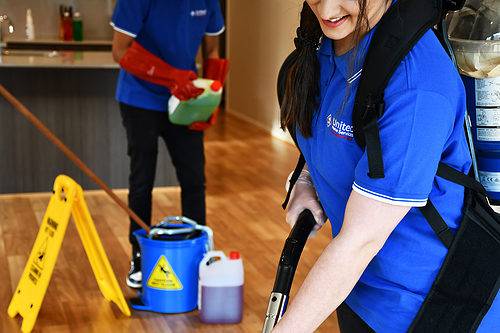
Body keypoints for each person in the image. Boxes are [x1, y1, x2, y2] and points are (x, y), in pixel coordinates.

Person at [273, 1, 499, 332]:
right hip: (355, 292)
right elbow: (331, 128)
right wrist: (306, 179)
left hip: (435, 307)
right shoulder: (320, 52)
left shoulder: (417, 82)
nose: (327, 7)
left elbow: (360, 240)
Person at [110, 0, 225, 289]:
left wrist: (210, 96)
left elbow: (212, 50)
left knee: (194, 178)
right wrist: (171, 76)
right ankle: (139, 257)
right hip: (140, 98)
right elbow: (120, 50)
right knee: (142, 179)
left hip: (185, 98)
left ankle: (198, 255)